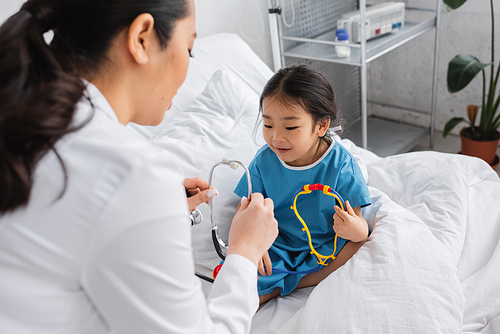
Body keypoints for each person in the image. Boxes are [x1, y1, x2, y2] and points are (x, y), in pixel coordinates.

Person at [0, 0, 278, 333]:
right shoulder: (131, 175)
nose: (188, 67)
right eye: (188, 50)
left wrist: (154, 213)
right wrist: (245, 252)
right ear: (142, 38)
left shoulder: (26, 121)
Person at [234, 65, 372, 304]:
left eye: (290, 127)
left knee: (354, 249)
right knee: (243, 282)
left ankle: (293, 282)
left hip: (326, 248)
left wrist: (354, 230)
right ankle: (288, 281)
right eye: (268, 125)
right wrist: (255, 248)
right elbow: (244, 213)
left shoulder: (341, 166)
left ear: (321, 126)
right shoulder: (265, 161)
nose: (277, 138)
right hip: (278, 245)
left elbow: (361, 230)